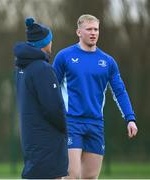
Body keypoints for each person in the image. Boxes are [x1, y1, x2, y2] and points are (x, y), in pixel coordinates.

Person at [52, 14, 138, 179]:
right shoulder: (64, 56)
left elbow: (119, 91)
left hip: (95, 123)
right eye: (89, 29)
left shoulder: (108, 62)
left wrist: (130, 118)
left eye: (96, 29)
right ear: (78, 32)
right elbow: (51, 88)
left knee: (90, 177)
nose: (93, 33)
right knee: (72, 174)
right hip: (71, 122)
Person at [13, 17, 68, 179]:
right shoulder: (43, 69)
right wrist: (65, 128)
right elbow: (53, 108)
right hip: (47, 145)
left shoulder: (21, 68)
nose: (52, 43)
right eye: (50, 40)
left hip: (32, 141)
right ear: (44, 43)